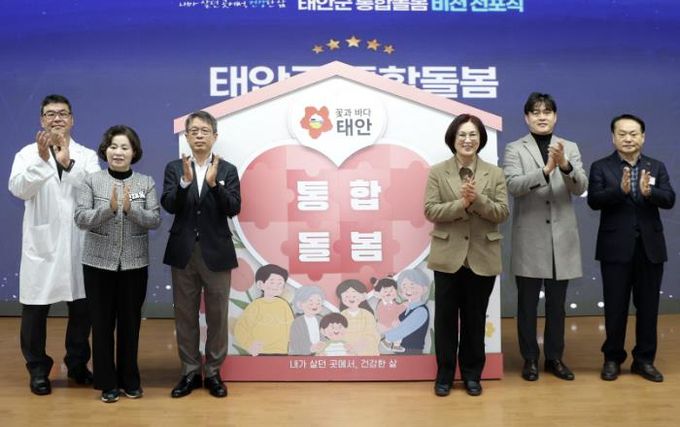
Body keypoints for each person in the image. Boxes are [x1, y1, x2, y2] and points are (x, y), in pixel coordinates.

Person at [8, 94, 100, 395]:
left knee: (82, 310)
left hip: (78, 244)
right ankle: (38, 369)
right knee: (35, 312)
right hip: (42, 246)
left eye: (62, 113)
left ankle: (77, 365)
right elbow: (18, 189)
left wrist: (67, 163)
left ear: (72, 119)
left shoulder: (86, 155)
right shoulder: (27, 154)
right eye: (50, 113)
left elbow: (96, 190)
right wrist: (42, 161)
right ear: (41, 120)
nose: (57, 118)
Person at [502, 92, 587, 382]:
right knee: (527, 305)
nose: (542, 116)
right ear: (526, 118)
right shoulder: (515, 148)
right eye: (536, 112)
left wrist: (564, 166)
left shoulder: (569, 147)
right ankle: (529, 359)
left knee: (556, 305)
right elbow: (513, 185)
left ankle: (554, 358)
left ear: (555, 116)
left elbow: (580, 187)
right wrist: (546, 170)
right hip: (529, 239)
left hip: (562, 239)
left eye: (547, 111)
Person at [74, 125, 161, 403]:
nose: (118, 152)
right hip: (97, 265)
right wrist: (109, 209)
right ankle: (106, 382)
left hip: (134, 265)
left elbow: (154, 219)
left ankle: (130, 380)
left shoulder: (145, 182)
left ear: (134, 152)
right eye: (113, 147)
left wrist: (130, 209)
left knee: (130, 325)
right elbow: (81, 218)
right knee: (101, 326)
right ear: (105, 151)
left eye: (125, 147)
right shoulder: (91, 181)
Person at [425, 114, 509, 397]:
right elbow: (431, 210)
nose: (467, 140)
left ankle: (472, 375)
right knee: (445, 321)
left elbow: (502, 213)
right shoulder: (438, 172)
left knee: (475, 320)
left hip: (482, 256)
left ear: (480, 139)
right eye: (462, 134)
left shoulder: (494, 173)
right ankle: (445, 376)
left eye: (473, 134)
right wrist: (461, 203)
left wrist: (478, 200)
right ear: (453, 138)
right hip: (448, 256)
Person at [587, 114, 675, 382]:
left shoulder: (656, 166)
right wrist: (620, 191)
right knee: (615, 307)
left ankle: (644, 360)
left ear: (643, 137)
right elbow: (594, 200)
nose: (628, 138)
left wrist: (650, 193)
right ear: (613, 138)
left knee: (648, 307)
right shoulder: (601, 167)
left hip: (650, 248)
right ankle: (612, 358)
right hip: (615, 248)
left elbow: (669, 198)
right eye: (622, 134)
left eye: (633, 133)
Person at [161, 110, 241, 398]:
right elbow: (169, 204)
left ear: (214, 136)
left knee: (218, 315)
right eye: (193, 131)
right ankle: (190, 372)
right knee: (185, 315)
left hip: (216, 252)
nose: (198, 135)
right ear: (186, 136)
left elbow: (233, 207)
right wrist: (184, 184)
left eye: (204, 131)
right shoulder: (175, 168)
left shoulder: (227, 169)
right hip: (183, 251)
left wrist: (214, 185)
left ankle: (214, 372)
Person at [233, 264, 294, 355]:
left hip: (281, 352)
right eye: (272, 282)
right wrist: (249, 344)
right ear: (260, 284)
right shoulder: (256, 306)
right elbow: (241, 328)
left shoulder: (284, 306)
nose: (276, 286)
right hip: (259, 352)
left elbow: (292, 328)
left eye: (280, 283)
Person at [288, 285, 326, 355]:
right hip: (304, 356)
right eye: (311, 303)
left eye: (318, 303)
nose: (315, 306)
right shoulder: (297, 322)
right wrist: (310, 348)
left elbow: (327, 337)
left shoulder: (321, 320)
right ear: (300, 304)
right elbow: (295, 343)